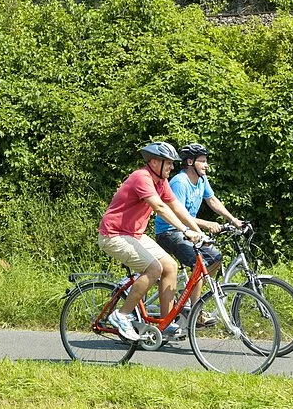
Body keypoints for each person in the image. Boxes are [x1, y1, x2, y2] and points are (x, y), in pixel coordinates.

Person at [98, 141, 205, 342]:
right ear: (155, 162)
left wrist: (198, 231)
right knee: (154, 269)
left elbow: (175, 206)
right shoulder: (142, 177)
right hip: (113, 235)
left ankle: (165, 324)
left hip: (134, 234)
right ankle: (121, 315)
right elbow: (159, 207)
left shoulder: (161, 181)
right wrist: (185, 231)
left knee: (170, 266)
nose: (173, 167)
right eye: (169, 163)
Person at [154, 142, 243, 321]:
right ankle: (196, 312)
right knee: (199, 265)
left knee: (215, 258)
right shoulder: (180, 182)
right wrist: (207, 224)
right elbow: (179, 215)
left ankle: (189, 293)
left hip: (188, 231)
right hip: (170, 231)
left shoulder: (202, 180)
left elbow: (213, 201)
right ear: (189, 162)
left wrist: (233, 220)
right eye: (202, 161)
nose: (206, 165)